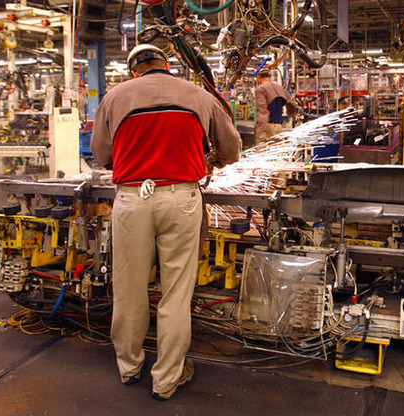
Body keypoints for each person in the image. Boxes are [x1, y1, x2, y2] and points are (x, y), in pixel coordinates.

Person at [91, 44, 241, 401]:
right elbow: (232, 149)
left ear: (133, 71)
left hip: (131, 200)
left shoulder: (115, 97)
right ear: (168, 65)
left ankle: (129, 367)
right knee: (175, 294)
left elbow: (101, 154)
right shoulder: (199, 95)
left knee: (128, 291)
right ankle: (166, 380)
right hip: (181, 199)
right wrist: (211, 158)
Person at [254, 69, 296, 145]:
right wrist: (291, 113)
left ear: (259, 77)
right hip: (279, 127)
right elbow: (290, 102)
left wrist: (261, 130)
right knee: (279, 153)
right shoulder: (278, 87)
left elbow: (262, 110)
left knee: (262, 154)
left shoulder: (260, 89)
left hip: (267, 127)